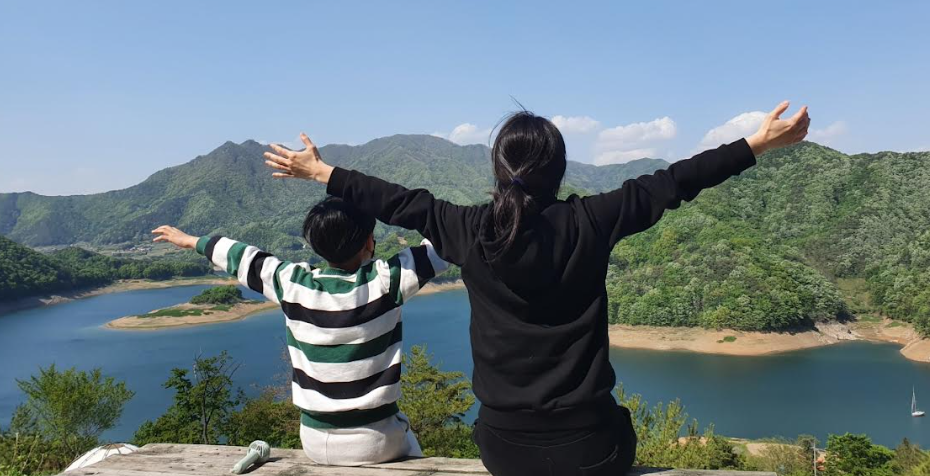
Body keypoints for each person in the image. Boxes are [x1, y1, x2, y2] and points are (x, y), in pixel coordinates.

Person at [263, 101, 809, 476]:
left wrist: (322, 173)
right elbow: (675, 182)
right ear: (561, 169)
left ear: (497, 169)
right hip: (593, 449)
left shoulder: (467, 228)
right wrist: (756, 144)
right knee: (617, 427)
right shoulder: (593, 220)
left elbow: (398, 201)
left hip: (505, 452)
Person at [150, 195, 450, 466]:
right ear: (368, 242)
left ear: (315, 244)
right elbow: (445, 245)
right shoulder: (385, 281)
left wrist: (191, 240)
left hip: (315, 441)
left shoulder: (293, 284)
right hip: (377, 440)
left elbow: (243, 257)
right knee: (414, 451)